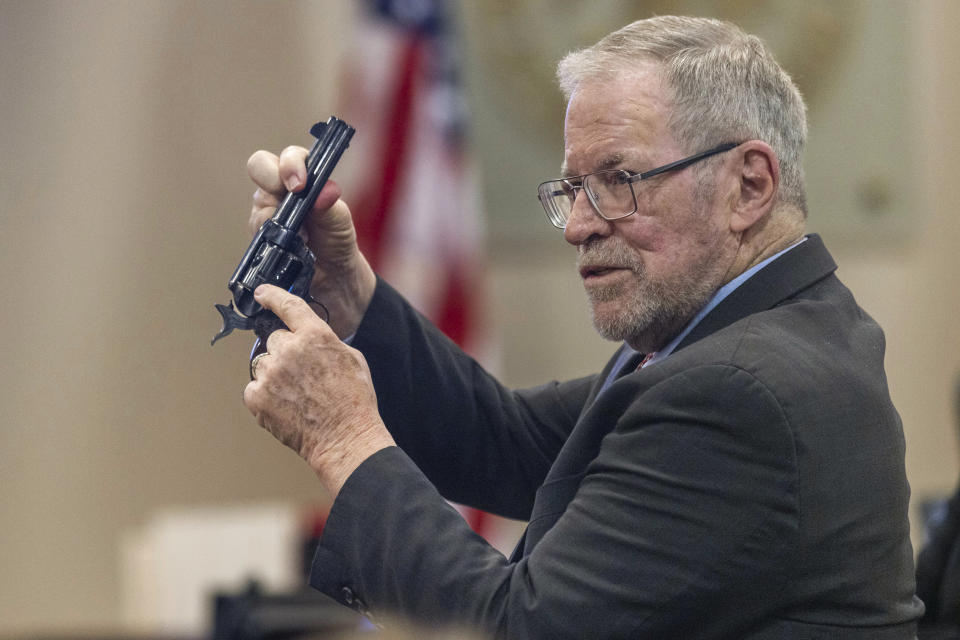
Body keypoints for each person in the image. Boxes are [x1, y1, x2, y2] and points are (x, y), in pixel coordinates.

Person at [241, 15, 924, 639]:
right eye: (573, 188)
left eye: (619, 179)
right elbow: (501, 441)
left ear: (749, 186)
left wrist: (342, 440)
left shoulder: (739, 388)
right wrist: (348, 290)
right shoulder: (751, 335)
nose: (578, 226)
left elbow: (521, 630)